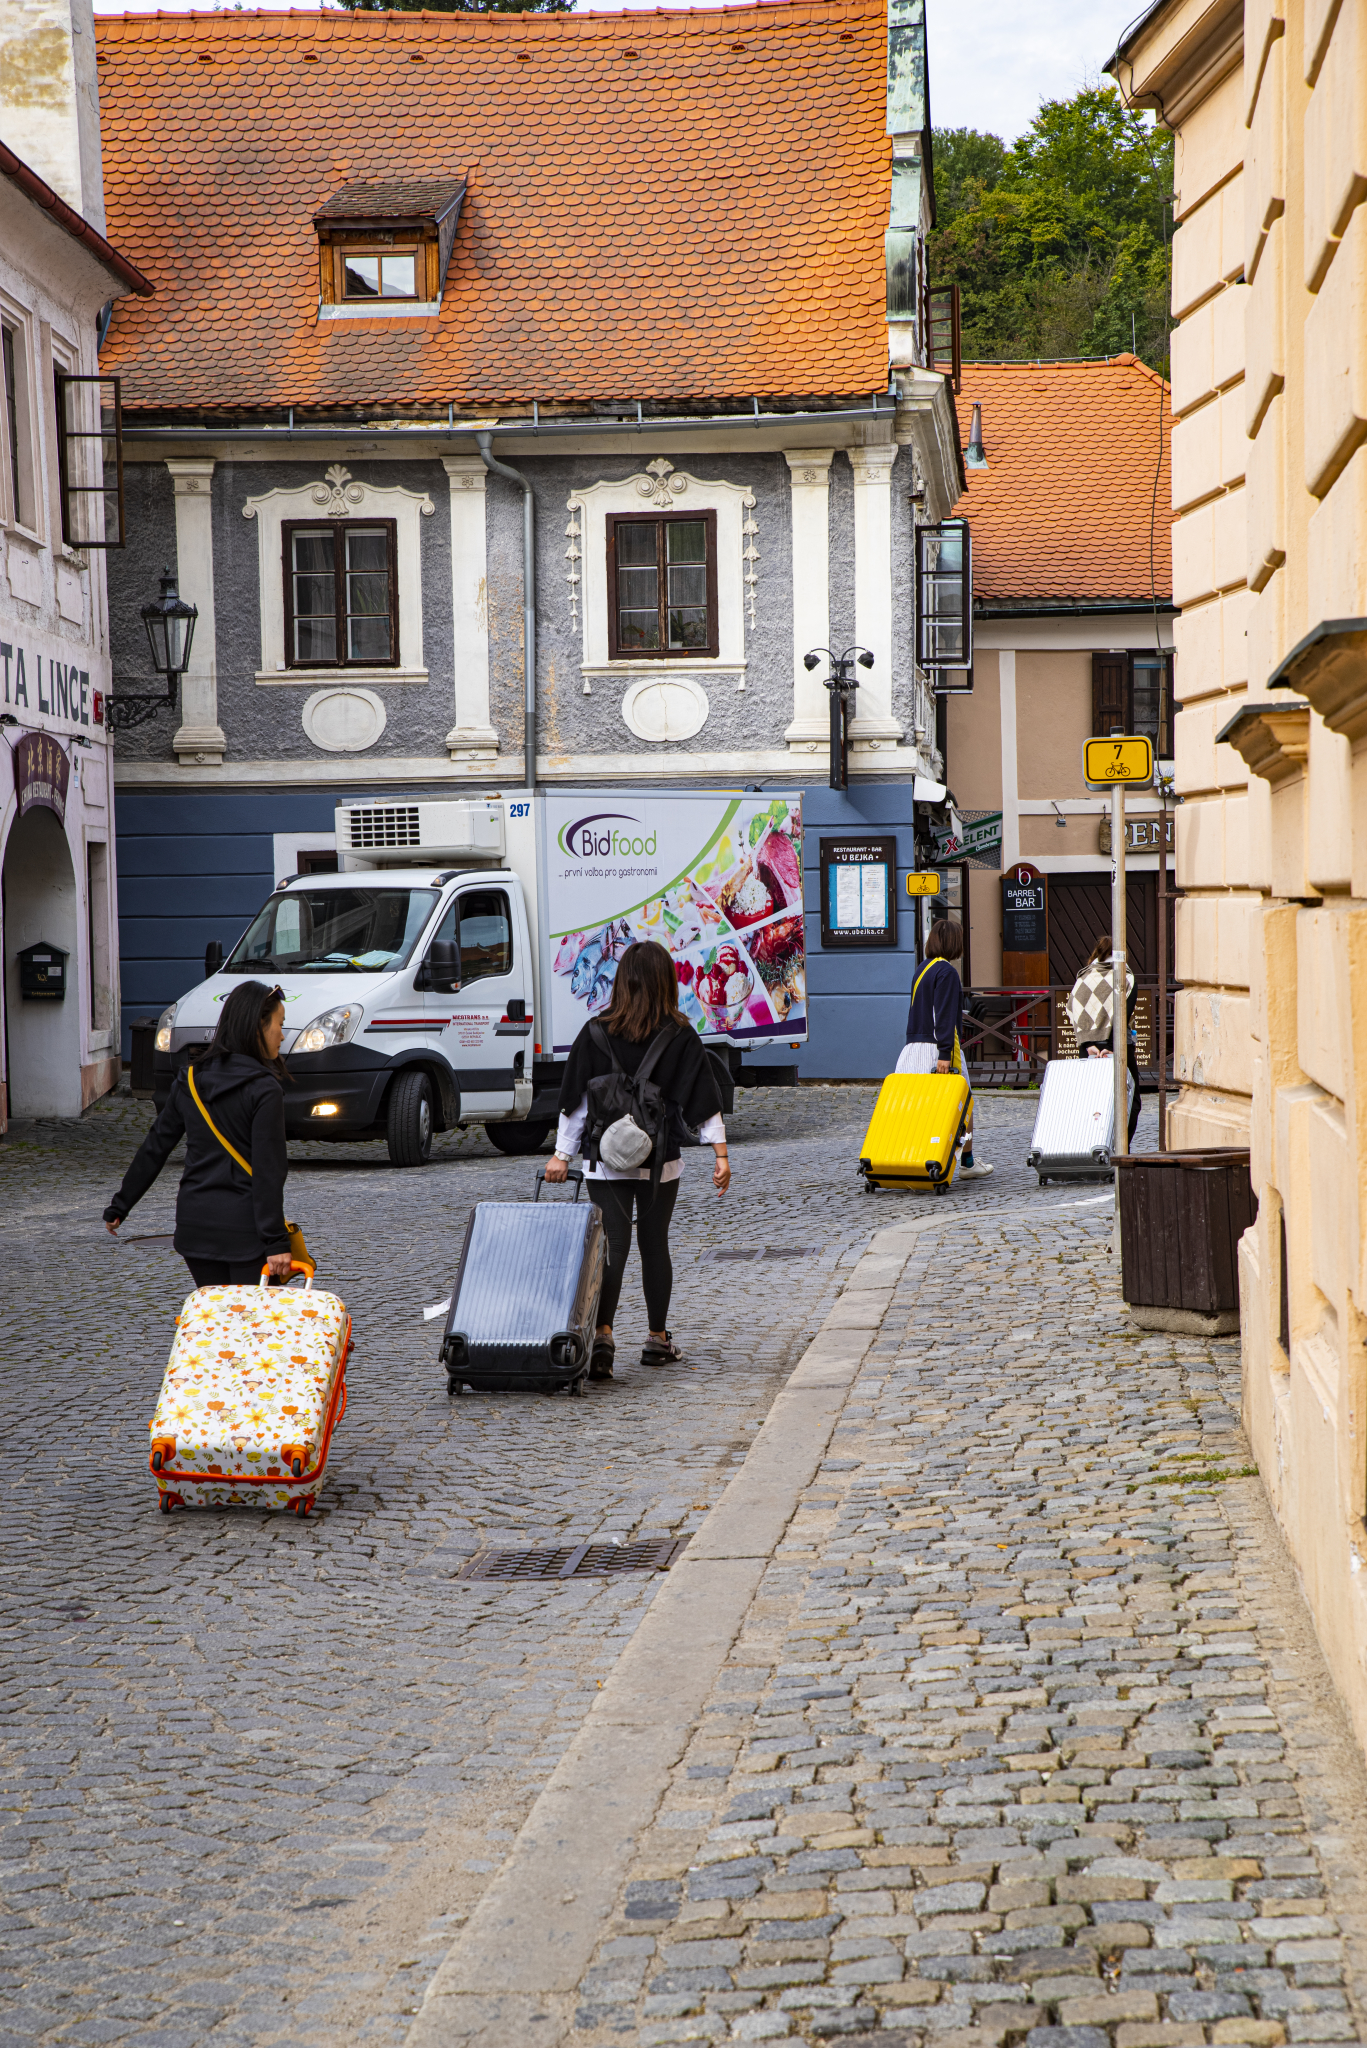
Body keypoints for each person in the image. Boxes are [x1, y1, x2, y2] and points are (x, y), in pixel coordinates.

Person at [545, 940, 729, 1379]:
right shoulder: (680, 1034)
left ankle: (603, 1335)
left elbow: (576, 1103)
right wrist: (720, 1155)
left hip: (602, 1163)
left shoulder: (595, 1031)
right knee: (654, 1244)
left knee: (611, 1247)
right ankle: (657, 1340)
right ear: (665, 981)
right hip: (658, 1161)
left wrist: (560, 1154)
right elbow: (703, 1099)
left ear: (621, 980)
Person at [104, 980, 295, 1287]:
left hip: (196, 1224)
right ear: (258, 1026)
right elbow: (268, 1170)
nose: (282, 1035)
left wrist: (121, 1204)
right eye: (280, 1024)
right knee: (250, 1329)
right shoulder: (264, 1089)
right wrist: (276, 1242)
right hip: (244, 1232)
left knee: (217, 1324)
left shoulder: (190, 1079)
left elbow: (156, 1145)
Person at [904, 918, 992, 1179]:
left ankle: (915, 1157)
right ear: (955, 943)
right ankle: (967, 1161)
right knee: (963, 1104)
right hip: (937, 1049)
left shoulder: (922, 968)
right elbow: (943, 1016)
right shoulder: (947, 972)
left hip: (912, 1050)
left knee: (918, 1107)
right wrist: (945, 1054)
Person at [1068, 935, 1142, 1144]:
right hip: (1118, 1047)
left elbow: (1072, 1010)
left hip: (1088, 1048)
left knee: (1093, 1102)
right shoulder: (1125, 977)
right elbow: (1122, 1015)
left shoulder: (1082, 978)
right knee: (1131, 1101)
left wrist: (1088, 1044)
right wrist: (1110, 1046)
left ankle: (1095, 1149)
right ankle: (1120, 1150)